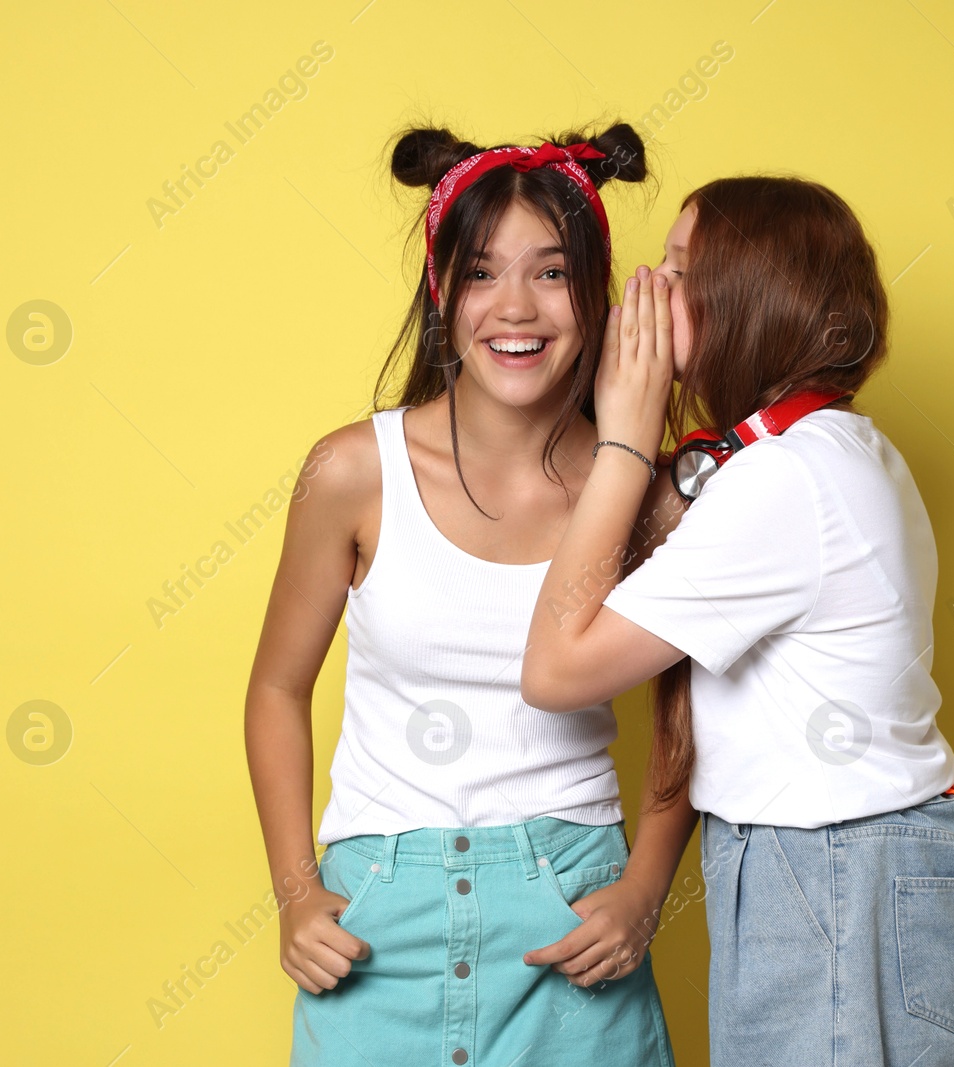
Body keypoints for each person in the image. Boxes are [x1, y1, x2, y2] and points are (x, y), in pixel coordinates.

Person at [522, 175, 954, 1066]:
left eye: (676, 270)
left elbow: (556, 670)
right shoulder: (831, 451)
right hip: (849, 859)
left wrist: (628, 440)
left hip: (835, 867)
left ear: (742, 305)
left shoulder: (787, 480)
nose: (646, 288)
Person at [244, 121, 680, 1067]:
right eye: (482, 272)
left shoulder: (643, 490)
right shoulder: (354, 472)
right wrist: (294, 891)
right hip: (376, 920)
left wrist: (646, 884)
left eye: (553, 273)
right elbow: (277, 688)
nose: (515, 308)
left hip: (570, 916)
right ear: (444, 292)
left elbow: (695, 702)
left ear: (596, 294)